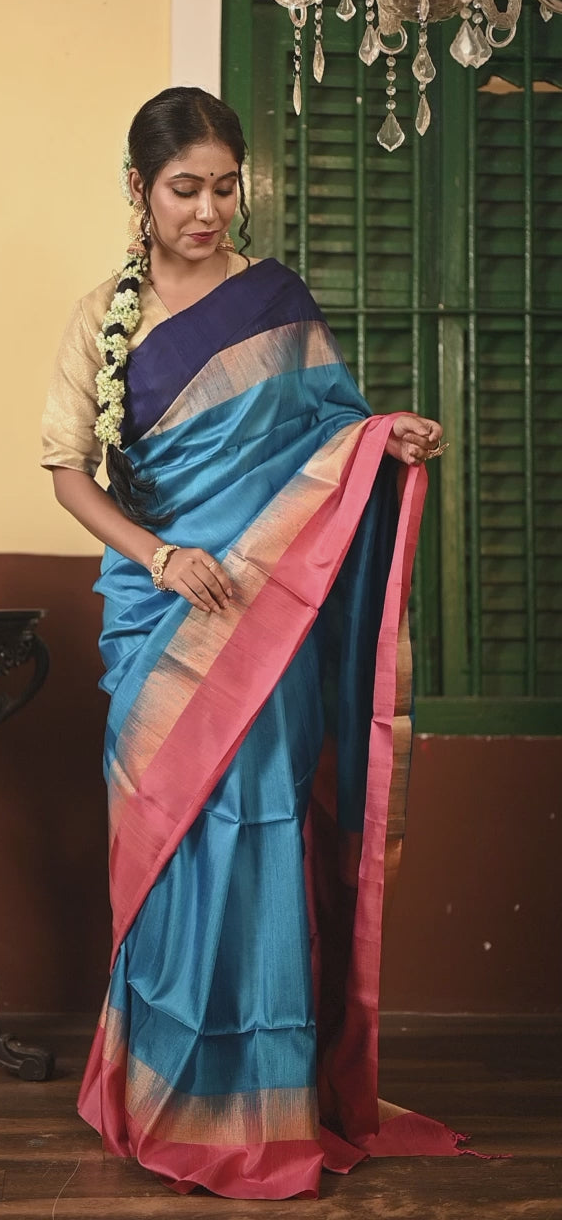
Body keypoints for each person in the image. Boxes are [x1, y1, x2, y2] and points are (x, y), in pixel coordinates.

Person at [41, 86, 460, 1201]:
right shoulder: (101, 318)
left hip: (266, 619)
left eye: (225, 188)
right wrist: (160, 557)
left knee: (261, 830)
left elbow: (329, 431)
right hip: (162, 614)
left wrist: (385, 437)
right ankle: (164, 1093)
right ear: (139, 189)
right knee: (172, 847)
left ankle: (261, 1108)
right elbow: (69, 474)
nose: (208, 211)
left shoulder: (275, 302)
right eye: (185, 188)